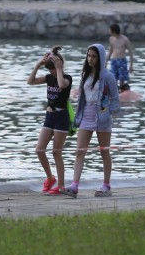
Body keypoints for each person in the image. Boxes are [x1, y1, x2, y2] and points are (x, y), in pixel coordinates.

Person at [63, 43, 121, 199]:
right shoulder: (85, 75)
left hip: (102, 116)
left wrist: (108, 112)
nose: (90, 59)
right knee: (80, 151)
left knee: (104, 151)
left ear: (100, 57)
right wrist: (77, 116)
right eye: (88, 56)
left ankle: (106, 185)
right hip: (86, 116)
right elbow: (82, 98)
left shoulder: (108, 76)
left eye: (94, 56)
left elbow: (115, 99)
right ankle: (74, 186)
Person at [27, 45, 73, 195]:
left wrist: (59, 68)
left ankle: (60, 185)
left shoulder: (67, 78)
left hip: (61, 117)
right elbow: (31, 81)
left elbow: (61, 85)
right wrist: (38, 65)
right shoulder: (49, 78)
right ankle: (50, 177)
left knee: (56, 152)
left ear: (59, 66)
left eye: (52, 69)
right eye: (50, 70)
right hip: (49, 116)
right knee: (40, 150)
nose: (51, 72)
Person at [107, 23, 133, 92]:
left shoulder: (124, 39)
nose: (109, 32)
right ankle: (115, 91)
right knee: (113, 78)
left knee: (122, 79)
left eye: (110, 30)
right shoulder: (111, 39)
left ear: (114, 31)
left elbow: (130, 52)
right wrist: (105, 62)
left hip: (122, 61)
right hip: (114, 61)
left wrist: (131, 66)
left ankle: (123, 89)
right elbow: (110, 51)